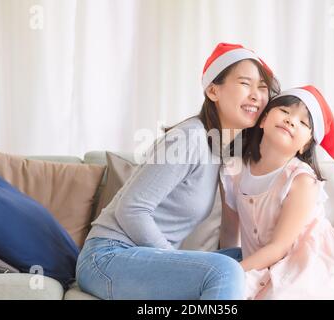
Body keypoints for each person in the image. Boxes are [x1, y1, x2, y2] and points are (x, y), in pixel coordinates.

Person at [76, 43, 280, 299]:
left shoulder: (224, 150)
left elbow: (232, 235)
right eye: (245, 83)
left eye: (262, 87)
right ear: (213, 90)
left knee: (253, 259)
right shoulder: (189, 138)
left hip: (144, 257)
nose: (256, 95)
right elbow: (132, 209)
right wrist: (177, 262)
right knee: (225, 270)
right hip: (108, 258)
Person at [219, 85, 334, 299]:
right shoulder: (235, 171)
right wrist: (225, 267)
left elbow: (279, 247)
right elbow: (230, 232)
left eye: (303, 122)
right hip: (260, 260)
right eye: (285, 111)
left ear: (305, 145)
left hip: (303, 264)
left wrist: (234, 271)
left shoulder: (301, 180)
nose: (291, 120)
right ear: (263, 119)